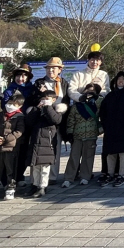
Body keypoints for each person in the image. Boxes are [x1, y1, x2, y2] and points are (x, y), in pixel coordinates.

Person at [25, 89, 66, 198]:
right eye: (43, 99)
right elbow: (29, 121)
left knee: (45, 167)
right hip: (36, 141)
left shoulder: (56, 110)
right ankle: (34, 185)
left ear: (54, 100)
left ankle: (42, 186)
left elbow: (55, 120)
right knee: (36, 166)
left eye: (47, 99)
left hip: (48, 142)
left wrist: (48, 107)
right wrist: (37, 108)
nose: (44, 101)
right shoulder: (37, 110)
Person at [0, 93, 26, 202]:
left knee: (10, 169)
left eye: (14, 104)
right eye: (9, 103)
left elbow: (19, 132)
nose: (10, 105)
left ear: (19, 106)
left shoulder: (20, 117)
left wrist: (6, 139)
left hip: (11, 147)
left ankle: (10, 187)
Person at [99, 71, 124, 187]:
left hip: (123, 128)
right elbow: (103, 112)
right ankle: (110, 174)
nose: (120, 81)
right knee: (110, 152)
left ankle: (121, 174)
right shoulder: (110, 95)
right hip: (110, 128)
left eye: (123, 79)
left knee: (122, 152)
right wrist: (105, 124)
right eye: (119, 79)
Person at [62, 84, 103, 187]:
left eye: (92, 91)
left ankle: (85, 177)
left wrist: (97, 97)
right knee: (73, 157)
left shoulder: (98, 103)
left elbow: (103, 108)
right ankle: (68, 177)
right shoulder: (77, 105)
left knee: (88, 157)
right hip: (77, 135)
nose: (89, 93)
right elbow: (71, 119)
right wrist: (70, 132)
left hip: (91, 134)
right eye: (87, 90)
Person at [42, 56, 72, 185]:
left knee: (56, 147)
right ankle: (41, 177)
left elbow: (67, 101)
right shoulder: (40, 82)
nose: (51, 71)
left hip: (59, 119)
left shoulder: (64, 83)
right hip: (43, 120)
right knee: (42, 148)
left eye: (54, 68)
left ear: (60, 70)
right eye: (49, 68)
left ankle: (53, 176)